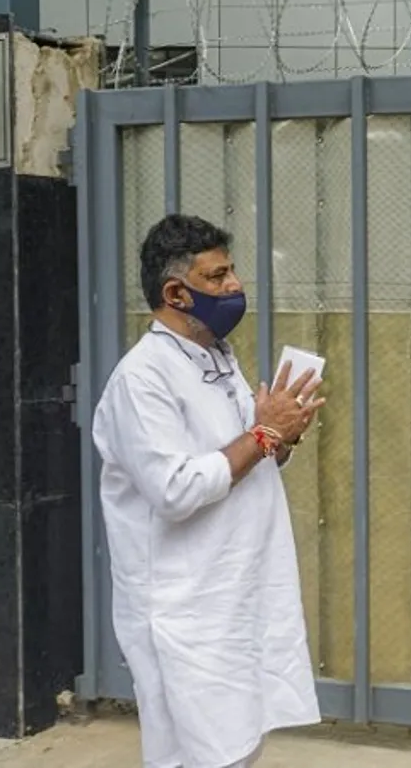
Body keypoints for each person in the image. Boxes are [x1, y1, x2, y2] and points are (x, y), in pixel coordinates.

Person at [93, 214, 325, 767]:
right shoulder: (141, 379)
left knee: (237, 745)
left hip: (236, 590)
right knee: (196, 754)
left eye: (232, 271)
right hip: (184, 609)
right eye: (218, 276)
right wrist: (264, 432)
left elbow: (238, 455)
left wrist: (280, 437)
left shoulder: (216, 357)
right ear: (177, 292)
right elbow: (174, 489)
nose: (235, 286)